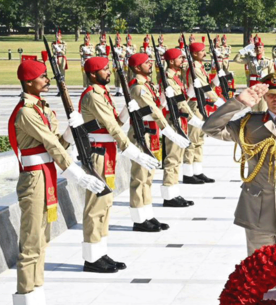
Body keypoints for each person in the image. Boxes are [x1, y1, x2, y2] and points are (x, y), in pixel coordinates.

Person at [9, 60, 105, 305]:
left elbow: (55, 142)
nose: (47, 80)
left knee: (42, 241)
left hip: (46, 175)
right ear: (28, 82)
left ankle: (37, 304)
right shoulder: (27, 112)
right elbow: (49, 145)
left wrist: (69, 133)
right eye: (42, 77)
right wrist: (74, 171)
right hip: (35, 179)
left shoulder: (41, 107)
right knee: (30, 244)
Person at [202, 73, 276, 288]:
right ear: (264, 98)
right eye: (272, 96)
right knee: (259, 278)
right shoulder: (249, 124)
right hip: (258, 213)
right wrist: (238, 103)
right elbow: (210, 128)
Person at [78, 57, 160, 272]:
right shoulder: (93, 96)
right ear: (93, 74)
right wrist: (132, 151)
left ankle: (100, 252)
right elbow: (113, 128)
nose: (109, 72)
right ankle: (91, 258)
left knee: (105, 205)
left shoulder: (102, 94)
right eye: (104, 70)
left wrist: (126, 110)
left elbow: (116, 122)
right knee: (96, 207)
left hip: (107, 152)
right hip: (98, 153)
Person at [127, 53, 190, 232]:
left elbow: (157, 107)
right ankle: (139, 219)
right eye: (147, 63)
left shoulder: (147, 85)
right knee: (140, 178)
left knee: (148, 177)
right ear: (137, 68)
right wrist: (169, 131)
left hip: (150, 133)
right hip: (141, 135)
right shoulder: (139, 88)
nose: (151, 64)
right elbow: (154, 111)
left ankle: (147, 214)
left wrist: (163, 97)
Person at [160, 48, 206, 206]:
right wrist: (194, 119)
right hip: (173, 122)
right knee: (172, 159)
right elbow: (180, 103)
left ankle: (174, 192)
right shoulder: (168, 79)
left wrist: (192, 90)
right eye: (180, 58)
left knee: (177, 158)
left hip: (180, 120)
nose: (183, 61)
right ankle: (168, 195)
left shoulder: (175, 77)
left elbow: (183, 98)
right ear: (172, 61)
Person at [182, 41, 224, 184]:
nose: (205, 53)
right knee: (193, 139)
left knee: (200, 139)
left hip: (201, 103)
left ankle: (197, 171)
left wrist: (217, 80)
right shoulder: (194, 68)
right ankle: (188, 173)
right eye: (202, 51)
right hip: (194, 104)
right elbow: (205, 89)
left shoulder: (199, 67)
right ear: (194, 53)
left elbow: (207, 87)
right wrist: (220, 103)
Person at [233, 35, 273, 111]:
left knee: (263, 109)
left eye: (260, 47)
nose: (258, 49)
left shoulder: (268, 61)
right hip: (253, 86)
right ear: (254, 49)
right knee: (254, 109)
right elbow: (236, 59)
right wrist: (243, 50)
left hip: (263, 86)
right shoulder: (250, 59)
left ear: (263, 48)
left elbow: (271, 74)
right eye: (257, 48)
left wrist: (270, 87)